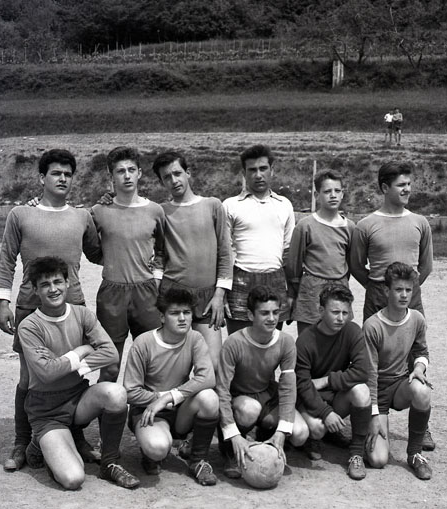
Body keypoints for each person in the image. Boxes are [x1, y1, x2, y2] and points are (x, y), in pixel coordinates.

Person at [0, 148, 103, 471]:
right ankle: (21, 441)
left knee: (74, 372)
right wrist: (3, 302)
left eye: (68, 174)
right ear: (42, 178)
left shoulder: (82, 216)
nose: (63, 179)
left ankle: (76, 436)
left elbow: (98, 253)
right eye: (56, 173)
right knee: (29, 377)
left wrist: (109, 213)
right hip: (31, 307)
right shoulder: (20, 215)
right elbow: (6, 258)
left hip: (74, 306)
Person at [17, 256, 139, 490]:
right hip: (47, 411)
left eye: (57, 282)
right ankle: (40, 443)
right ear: (35, 289)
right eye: (45, 284)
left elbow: (111, 354)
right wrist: (81, 350)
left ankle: (110, 463)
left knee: (116, 393)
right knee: (73, 479)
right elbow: (46, 374)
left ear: (67, 283)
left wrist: (66, 364)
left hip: (77, 399)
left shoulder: (82, 314)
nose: (53, 289)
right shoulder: (30, 326)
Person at [349, 160, 435, 450]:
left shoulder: (420, 223)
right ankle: (370, 415)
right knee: (372, 356)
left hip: (411, 293)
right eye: (401, 185)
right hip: (377, 292)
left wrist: (407, 290)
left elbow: (426, 266)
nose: (407, 189)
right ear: (385, 188)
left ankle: (422, 425)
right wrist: (380, 289)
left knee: (414, 352)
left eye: (409, 184)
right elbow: (356, 265)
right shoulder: (366, 225)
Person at [122, 287, 219, 486]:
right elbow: (130, 392)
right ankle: (150, 454)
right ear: (162, 317)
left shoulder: (195, 338)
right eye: (175, 313)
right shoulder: (143, 343)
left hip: (180, 408)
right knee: (157, 448)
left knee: (209, 398)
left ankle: (198, 460)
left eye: (187, 312)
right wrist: (158, 398)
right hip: (150, 411)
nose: (182, 318)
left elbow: (208, 377)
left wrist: (169, 397)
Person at [216, 285, 308, 479]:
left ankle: (269, 441)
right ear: (251, 315)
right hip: (240, 399)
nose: (272, 318)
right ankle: (230, 449)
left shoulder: (286, 342)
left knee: (300, 433)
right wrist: (232, 433)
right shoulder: (233, 343)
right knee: (250, 410)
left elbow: (288, 387)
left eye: (276, 312)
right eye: (265, 313)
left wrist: (282, 431)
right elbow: (222, 389)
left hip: (267, 395)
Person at [90, 147, 166, 381]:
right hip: (112, 293)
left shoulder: (155, 210)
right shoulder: (99, 211)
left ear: (140, 173)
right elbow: (90, 248)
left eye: (131, 170)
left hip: (147, 292)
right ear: (111, 176)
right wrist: (112, 259)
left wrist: (156, 276)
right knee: (110, 365)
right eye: (120, 171)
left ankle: (145, 406)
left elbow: (163, 249)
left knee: (152, 363)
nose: (127, 175)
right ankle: (108, 405)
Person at [152, 151, 233, 370]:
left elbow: (225, 252)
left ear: (187, 173)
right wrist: (156, 290)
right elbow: (159, 255)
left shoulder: (213, 205)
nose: (174, 180)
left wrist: (219, 295)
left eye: (177, 173)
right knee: (173, 365)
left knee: (212, 364)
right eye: (166, 177)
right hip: (174, 293)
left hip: (208, 297)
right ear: (161, 182)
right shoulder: (161, 211)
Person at [363, 262, 433, 480]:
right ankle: (363, 429)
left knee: (422, 391)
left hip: (400, 385)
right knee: (378, 460)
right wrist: (374, 415)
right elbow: (369, 374)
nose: (404, 295)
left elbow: (421, 352)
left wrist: (419, 368)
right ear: (386, 291)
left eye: (408, 290)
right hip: (376, 391)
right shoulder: (372, 326)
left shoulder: (417, 319)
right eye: (398, 289)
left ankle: (415, 454)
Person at [295, 285, 373, 480]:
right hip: (310, 399)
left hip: (334, 394)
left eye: (345, 313)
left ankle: (356, 453)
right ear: (321, 311)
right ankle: (314, 437)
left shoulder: (352, 331)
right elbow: (303, 385)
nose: (341, 318)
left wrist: (327, 380)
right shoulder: (305, 340)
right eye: (335, 312)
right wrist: (325, 413)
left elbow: (362, 371)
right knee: (318, 428)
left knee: (361, 391)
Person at [222, 144, 295, 335]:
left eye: (263, 168)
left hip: (275, 280)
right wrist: (222, 292)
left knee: (271, 344)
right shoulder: (230, 205)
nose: (258, 175)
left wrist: (291, 292)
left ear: (272, 170)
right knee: (239, 343)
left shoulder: (284, 205)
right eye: (252, 170)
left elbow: (288, 252)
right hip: (240, 281)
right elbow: (224, 252)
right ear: (244, 173)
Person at [286, 169, 355, 334]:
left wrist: (340, 281)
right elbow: (294, 264)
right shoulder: (305, 226)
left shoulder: (350, 227)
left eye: (337, 191)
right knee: (309, 338)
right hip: (311, 291)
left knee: (338, 339)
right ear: (317, 195)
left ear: (342, 194)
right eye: (327, 191)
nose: (333, 195)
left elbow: (350, 262)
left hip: (339, 288)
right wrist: (294, 293)